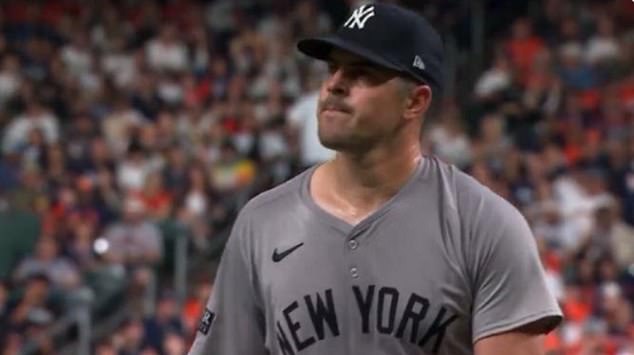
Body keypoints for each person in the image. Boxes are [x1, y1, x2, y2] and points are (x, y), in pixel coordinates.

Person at [188, 3, 562, 355]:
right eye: (332, 69)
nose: (335, 84)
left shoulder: (485, 225)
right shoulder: (261, 222)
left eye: (361, 73)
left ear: (414, 102)